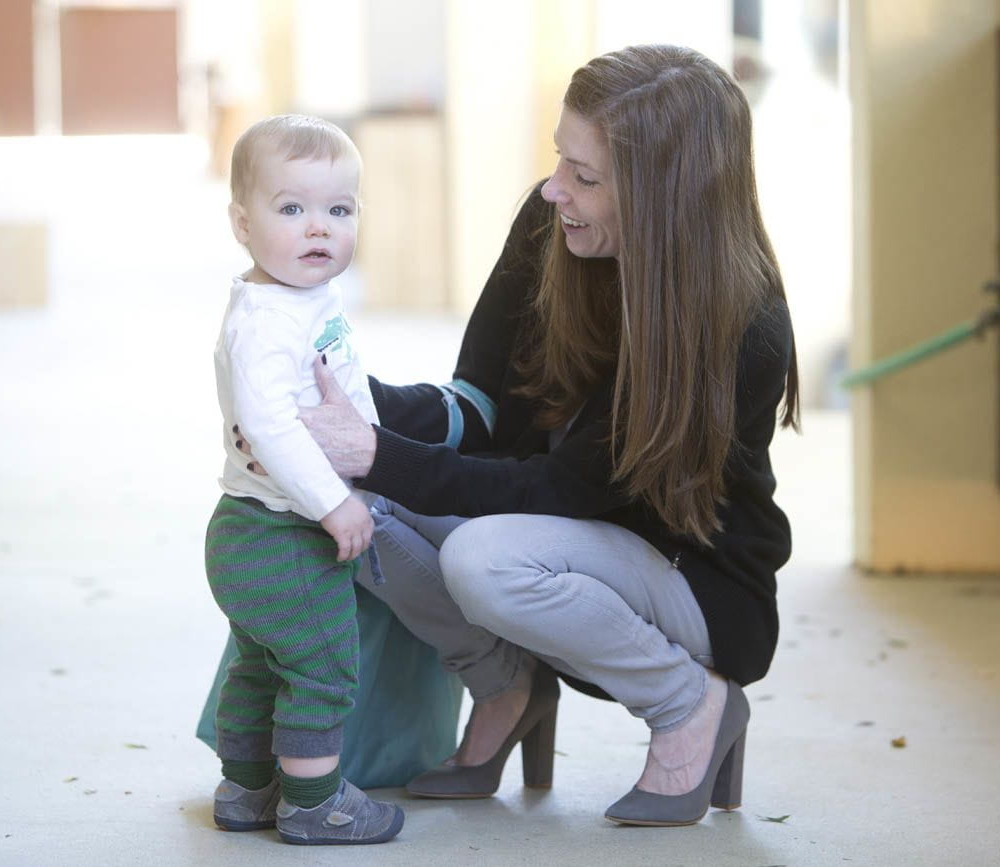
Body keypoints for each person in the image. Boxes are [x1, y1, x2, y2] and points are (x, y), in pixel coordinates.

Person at [249, 43, 798, 827]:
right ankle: (504, 681)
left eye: (585, 176)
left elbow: (563, 490)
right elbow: (483, 408)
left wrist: (374, 449)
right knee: (335, 498)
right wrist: (326, 402)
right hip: (558, 537)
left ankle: (688, 701)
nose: (553, 188)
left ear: (662, 196)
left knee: (485, 558)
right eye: (558, 158)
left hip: (692, 580)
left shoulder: (740, 322)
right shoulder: (550, 226)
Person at [204, 114, 403, 846]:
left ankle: (245, 787)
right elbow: (272, 427)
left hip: (253, 528)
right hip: (282, 530)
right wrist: (335, 504)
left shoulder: (301, 299)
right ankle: (314, 804)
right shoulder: (265, 323)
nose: (319, 227)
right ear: (242, 223)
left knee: (262, 666)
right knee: (322, 665)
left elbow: (340, 392)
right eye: (291, 208)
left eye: (338, 210)